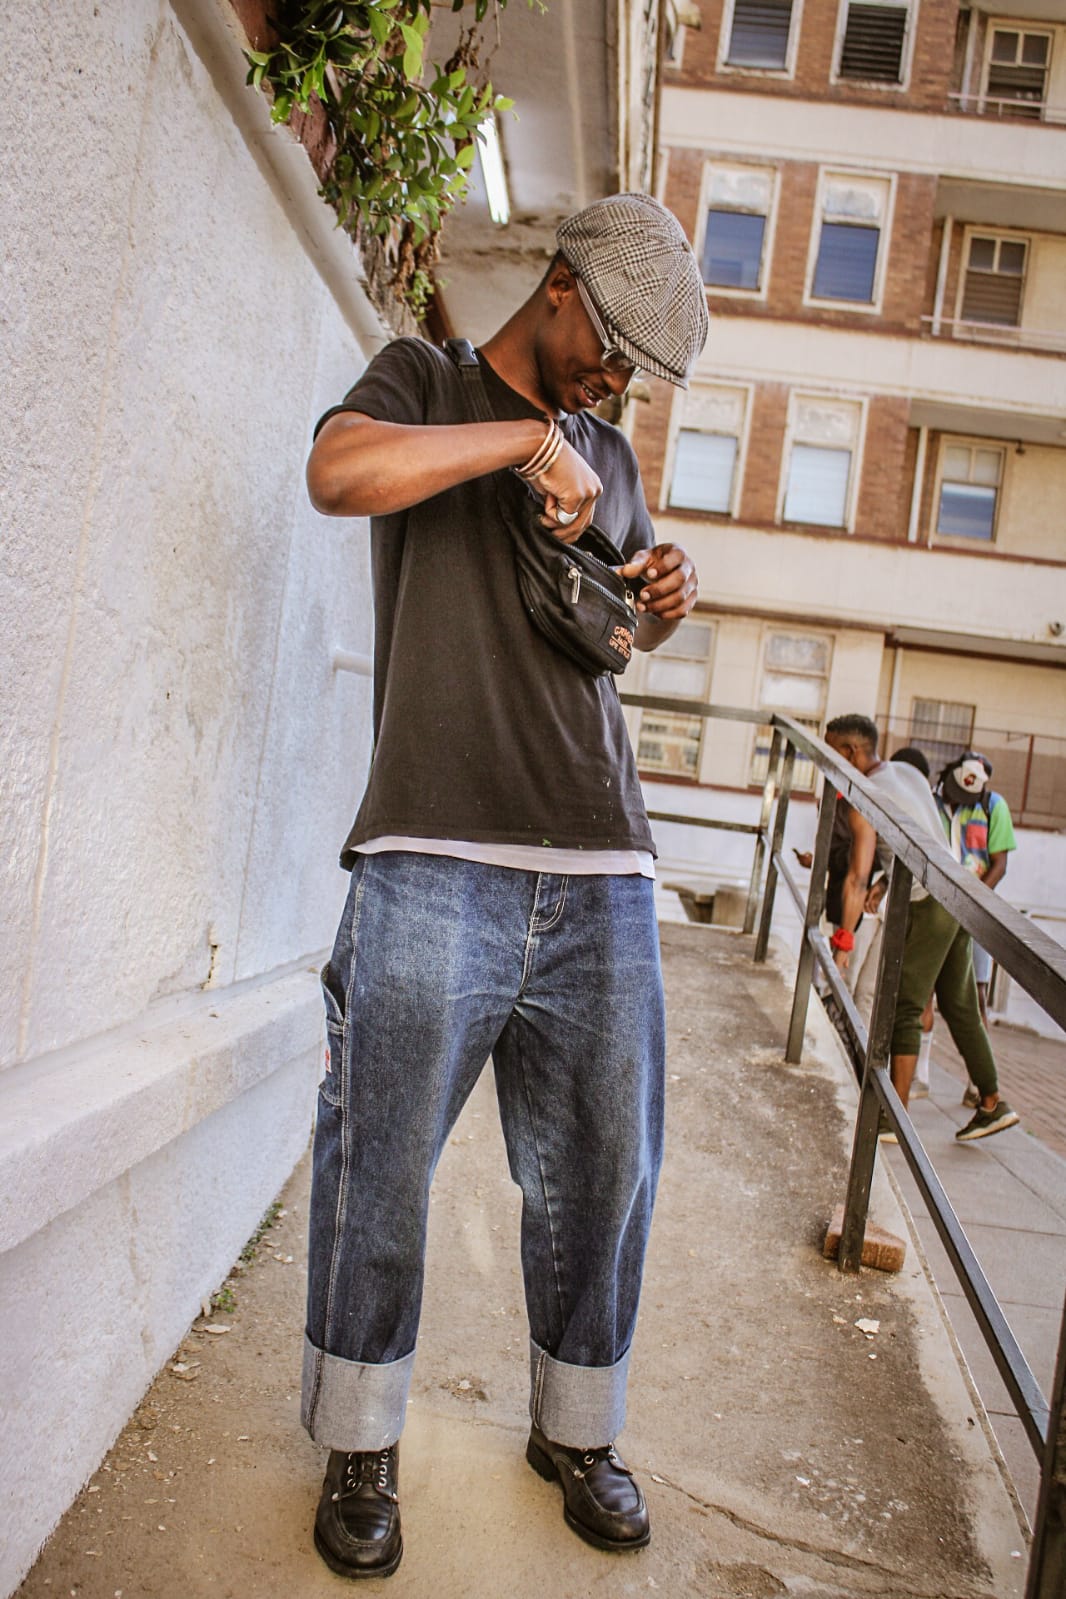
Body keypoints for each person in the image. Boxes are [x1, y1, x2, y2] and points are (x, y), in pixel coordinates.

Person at [300, 193, 709, 1578]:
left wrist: (657, 597)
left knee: (604, 1171)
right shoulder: (422, 380)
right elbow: (340, 473)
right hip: (431, 851)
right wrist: (526, 442)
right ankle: (361, 1440)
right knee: (379, 1167)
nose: (617, 386)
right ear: (561, 286)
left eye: (635, 375)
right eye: (614, 352)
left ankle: (576, 1431)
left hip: (601, 861)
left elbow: (607, 635)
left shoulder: (613, 456)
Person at [823, 715, 1019, 1146]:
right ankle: (992, 1102)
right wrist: (888, 880)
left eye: (831, 750)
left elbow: (855, 877)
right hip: (957, 891)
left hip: (929, 903)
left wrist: (843, 941)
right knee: (959, 1004)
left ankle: (895, 1120)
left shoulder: (864, 798)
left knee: (905, 1006)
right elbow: (923, 836)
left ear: (850, 752)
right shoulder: (906, 772)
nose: (826, 760)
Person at [935, 751, 1018, 1104]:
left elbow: (999, 863)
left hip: (975, 911)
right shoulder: (934, 801)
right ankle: (918, 1074)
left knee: (975, 993)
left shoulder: (992, 806)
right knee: (923, 990)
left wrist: (973, 902)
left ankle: (977, 1083)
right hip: (935, 907)